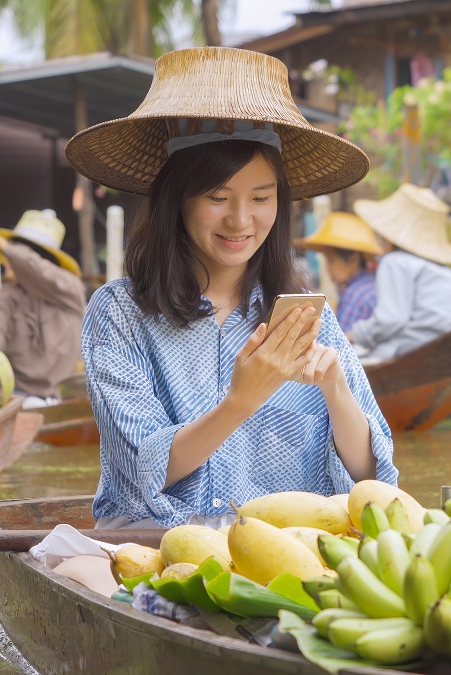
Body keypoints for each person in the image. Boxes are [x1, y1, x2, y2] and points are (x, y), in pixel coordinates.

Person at [63, 47, 398, 529]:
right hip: (158, 543)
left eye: (260, 198)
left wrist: (335, 388)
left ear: (280, 203)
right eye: (217, 197)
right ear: (175, 201)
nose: (241, 220)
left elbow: (374, 477)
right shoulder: (120, 311)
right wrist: (241, 400)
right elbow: (142, 468)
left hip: (285, 549)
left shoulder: (305, 316)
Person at [0, 210, 86, 409]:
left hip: (66, 398)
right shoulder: (4, 297)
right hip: (22, 398)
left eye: (18, 253)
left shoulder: (69, 289)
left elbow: (36, 269)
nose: (9, 260)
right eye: (12, 252)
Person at [348, 183, 451, 360]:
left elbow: (390, 320)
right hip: (448, 350)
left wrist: (352, 335)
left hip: (411, 350)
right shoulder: (449, 275)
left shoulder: (394, 262)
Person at [294, 211, 382, 333]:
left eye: (331, 261)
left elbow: (341, 340)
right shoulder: (370, 285)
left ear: (353, 259)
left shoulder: (354, 294)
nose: (328, 268)